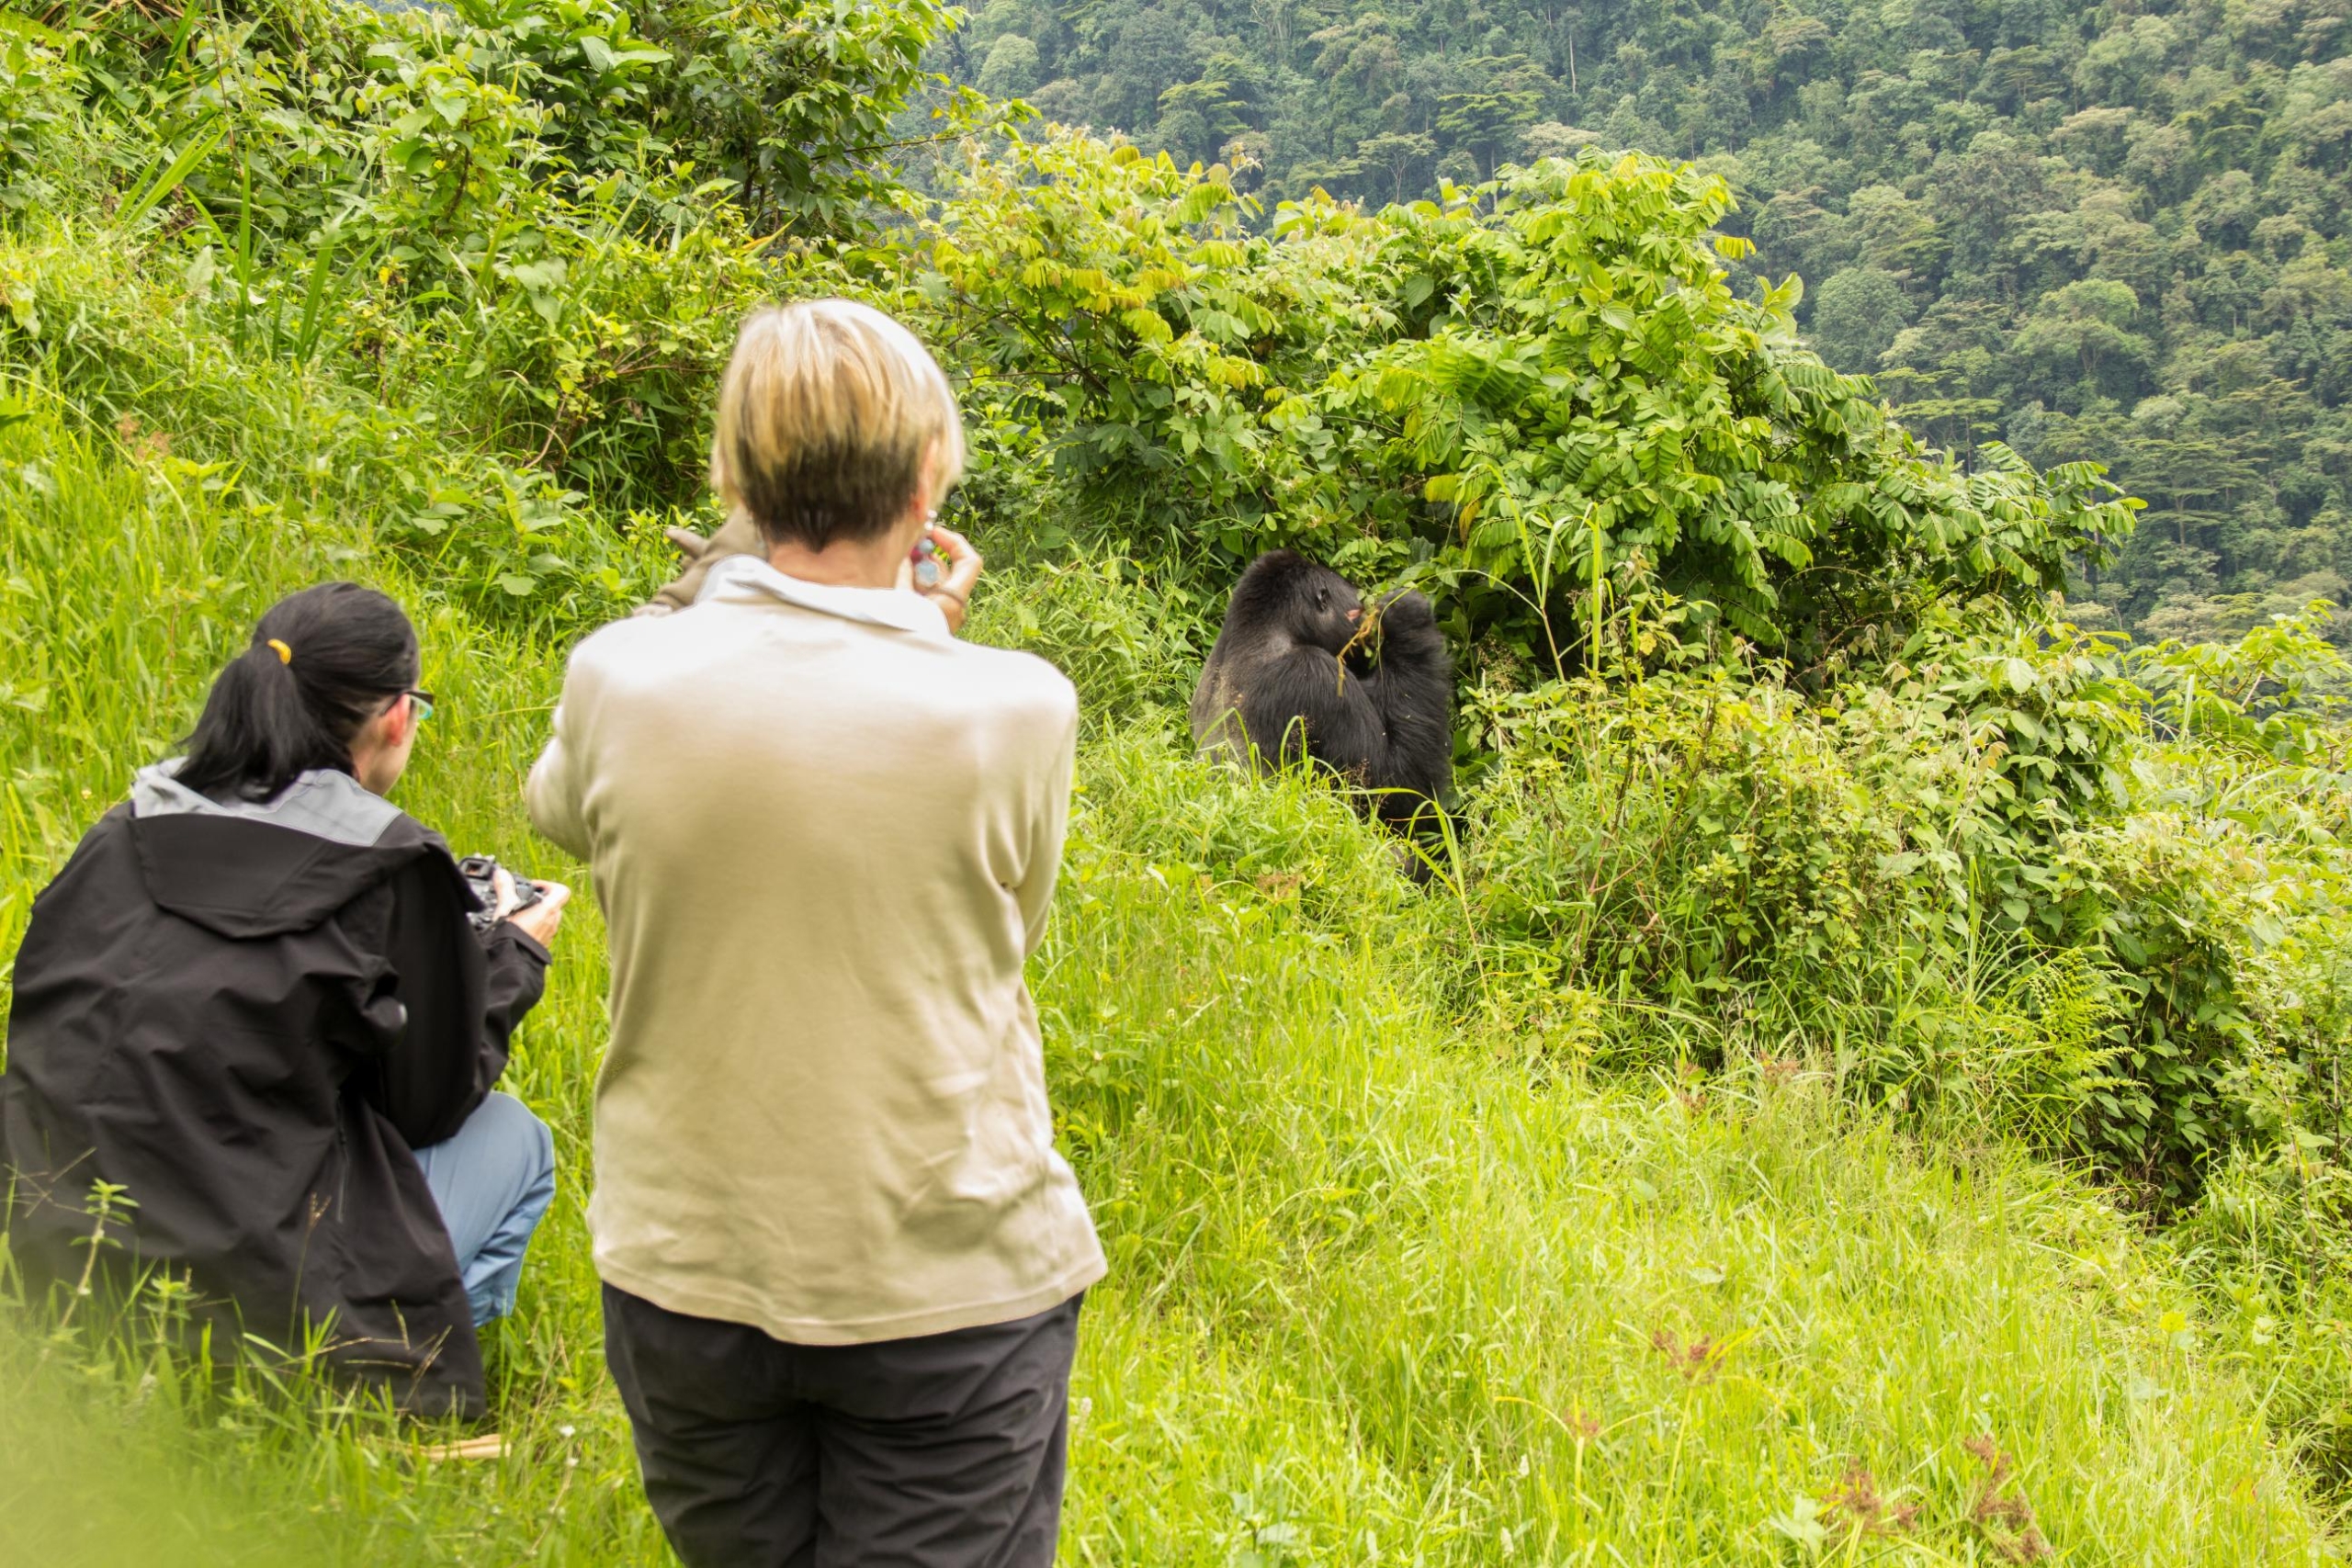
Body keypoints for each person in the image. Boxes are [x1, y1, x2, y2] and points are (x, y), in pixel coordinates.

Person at [527, 299, 1102, 1567]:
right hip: (945, 1281)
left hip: (687, 1270)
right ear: (928, 480)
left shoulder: (618, 673)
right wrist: (924, 633)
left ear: (733, 481)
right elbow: (1003, 919)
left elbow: (558, 805)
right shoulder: (1016, 707)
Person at [0, 582, 570, 1422]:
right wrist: (516, 951)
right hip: (253, 1297)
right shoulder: (395, 862)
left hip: (49, 1260)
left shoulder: (122, 828)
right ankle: (369, 1392)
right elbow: (428, 1104)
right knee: (515, 1141)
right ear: (396, 718)